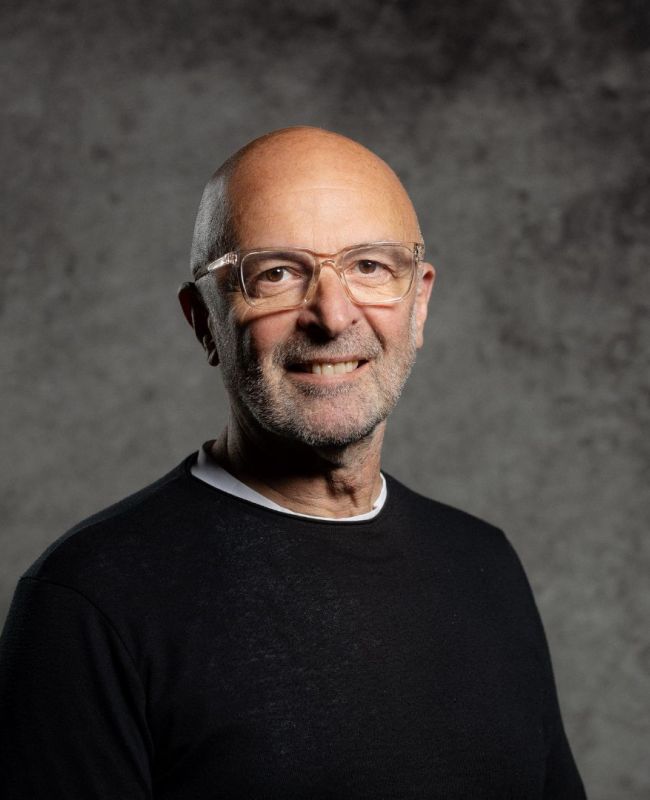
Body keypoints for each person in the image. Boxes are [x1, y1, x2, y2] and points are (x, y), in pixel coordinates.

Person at [0, 127, 586, 798]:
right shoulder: (89, 603)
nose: (333, 316)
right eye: (276, 273)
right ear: (204, 320)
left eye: (371, 266)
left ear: (419, 302)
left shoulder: (484, 563)